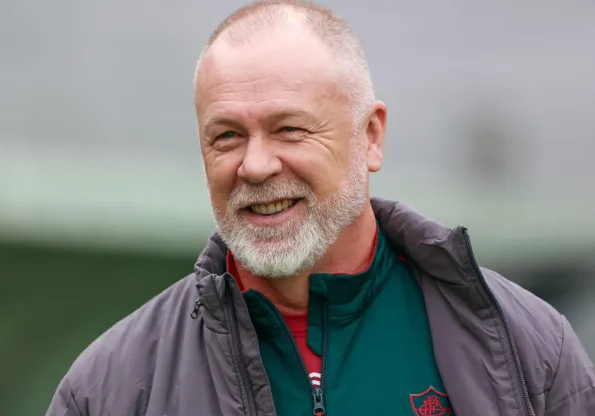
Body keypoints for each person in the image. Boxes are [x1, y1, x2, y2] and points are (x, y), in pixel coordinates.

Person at [45, 1, 595, 415]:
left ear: (371, 136)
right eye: (228, 136)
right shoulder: (112, 388)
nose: (255, 166)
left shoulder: (530, 350)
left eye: (289, 129)